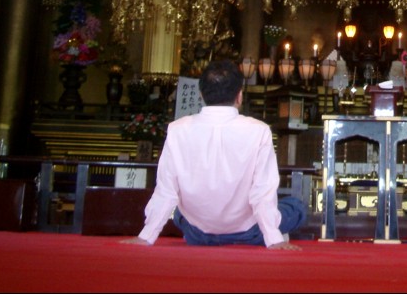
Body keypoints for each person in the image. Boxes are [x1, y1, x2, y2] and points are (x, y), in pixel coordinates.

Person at [121, 59, 306, 250]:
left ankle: (218, 236)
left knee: (179, 215)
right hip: (247, 232)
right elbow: (262, 192)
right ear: (239, 96)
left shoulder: (178, 129)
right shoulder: (259, 131)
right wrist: (274, 238)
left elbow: (166, 190)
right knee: (296, 207)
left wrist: (147, 236)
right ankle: (258, 235)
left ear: (201, 94)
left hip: (198, 233)